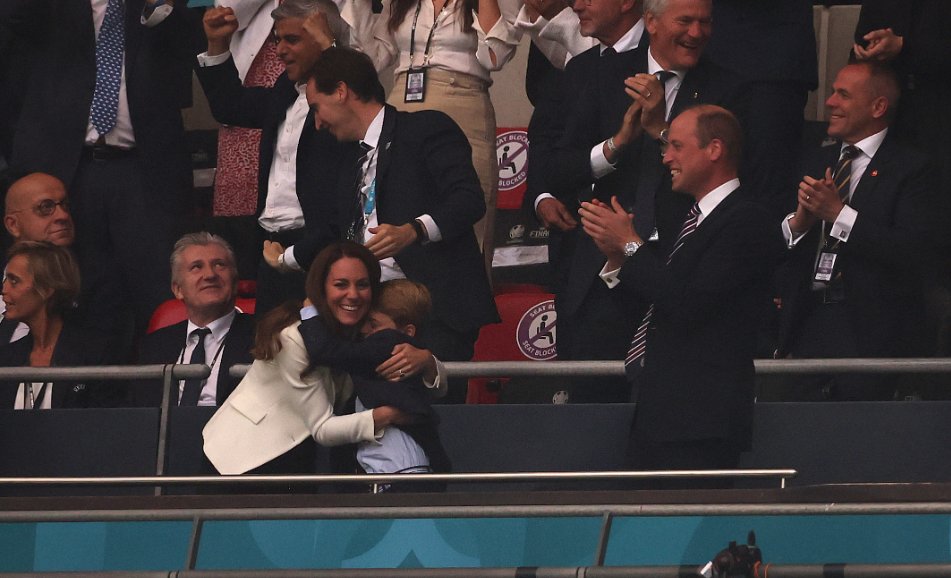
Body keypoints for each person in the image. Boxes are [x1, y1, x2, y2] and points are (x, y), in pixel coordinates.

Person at [534, 0, 749, 402]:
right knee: (591, 405)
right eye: (685, 21)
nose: (697, 32)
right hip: (601, 268)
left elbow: (731, 173)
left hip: (679, 267)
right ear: (650, 21)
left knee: (670, 402)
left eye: (706, 22)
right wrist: (615, 146)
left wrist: (660, 130)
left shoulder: (730, 86)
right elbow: (558, 169)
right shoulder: (597, 72)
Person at [579, 105, 780, 485]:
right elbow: (660, 303)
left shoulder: (747, 220)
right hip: (658, 415)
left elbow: (690, 304)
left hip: (701, 422)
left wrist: (632, 245)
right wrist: (618, 259)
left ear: (714, 149)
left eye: (676, 146)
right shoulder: (690, 219)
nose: (666, 157)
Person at [305, 47, 499, 403]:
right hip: (367, 311)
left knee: (436, 421)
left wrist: (414, 230)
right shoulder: (346, 159)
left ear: (341, 91)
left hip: (432, 311)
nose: (317, 122)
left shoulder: (425, 128)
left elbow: (468, 198)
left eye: (316, 107)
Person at [0, 0, 196, 346]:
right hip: (67, 172)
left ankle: (154, 385)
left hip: (142, 171)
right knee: (72, 286)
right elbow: (14, 16)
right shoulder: (52, 10)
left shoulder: (152, 7)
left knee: (155, 287)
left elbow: (191, 45)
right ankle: (72, 388)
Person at [774, 62, 943, 401]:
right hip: (808, 320)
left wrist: (839, 214)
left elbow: (913, 251)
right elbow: (780, 241)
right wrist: (800, 224)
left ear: (878, 107)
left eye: (843, 95)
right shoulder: (814, 158)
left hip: (872, 330)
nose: (830, 103)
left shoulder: (913, 168)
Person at [329, 0, 523, 268]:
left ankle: (463, 303)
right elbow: (372, 59)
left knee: (465, 213)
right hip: (402, 101)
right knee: (393, 209)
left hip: (462, 100)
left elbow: (495, 55)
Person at [202, 240, 410, 479]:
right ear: (320, 289)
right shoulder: (293, 336)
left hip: (297, 452)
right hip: (240, 459)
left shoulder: (363, 333)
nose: (353, 295)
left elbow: (431, 380)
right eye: (341, 284)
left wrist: (425, 362)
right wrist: (390, 415)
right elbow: (323, 428)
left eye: (362, 285)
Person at [197, 0, 349, 317]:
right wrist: (217, 45)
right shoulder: (285, 90)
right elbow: (230, 106)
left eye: (291, 40)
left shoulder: (347, 99)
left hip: (323, 251)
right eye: (278, 39)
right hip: (271, 251)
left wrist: (331, 47)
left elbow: (358, 89)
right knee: (271, 354)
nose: (279, 50)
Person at [299, 277, 450, 492]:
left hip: (403, 472)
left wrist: (311, 313)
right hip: (382, 475)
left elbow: (328, 352)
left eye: (374, 324)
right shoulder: (376, 347)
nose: (365, 331)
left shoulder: (389, 343)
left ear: (407, 333)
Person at [134, 232, 254, 407]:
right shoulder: (154, 346)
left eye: (219, 265)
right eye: (196, 267)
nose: (210, 275)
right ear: (178, 290)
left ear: (235, 282)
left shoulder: (263, 336)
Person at [0, 242, 120, 409]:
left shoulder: (96, 354)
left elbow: (105, 426)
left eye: (14, 281)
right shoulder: (5, 359)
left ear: (47, 289)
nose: (3, 290)